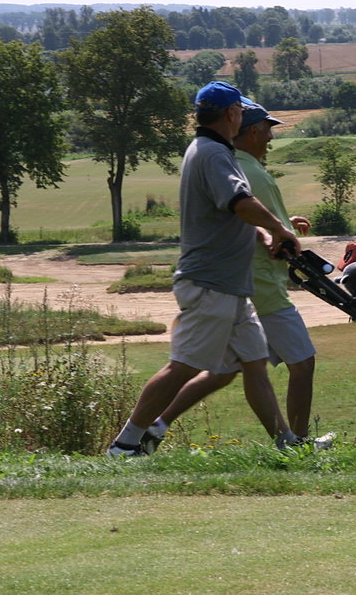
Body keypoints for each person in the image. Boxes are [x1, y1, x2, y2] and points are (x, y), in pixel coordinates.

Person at [107, 82, 301, 456]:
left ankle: (286, 444)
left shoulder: (210, 149)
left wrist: (260, 234)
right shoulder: (213, 153)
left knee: (254, 364)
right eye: (241, 112)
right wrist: (279, 228)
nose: (243, 117)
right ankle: (125, 444)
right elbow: (240, 203)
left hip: (231, 286)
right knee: (182, 366)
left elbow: (228, 213)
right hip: (211, 284)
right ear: (231, 114)